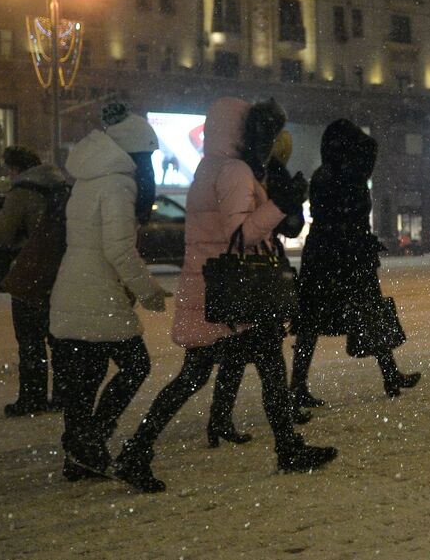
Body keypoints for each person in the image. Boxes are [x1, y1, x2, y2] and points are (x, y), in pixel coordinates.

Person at [114, 98, 335, 493]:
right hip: (233, 293)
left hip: (214, 288)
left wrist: (276, 202)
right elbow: (241, 235)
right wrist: (282, 204)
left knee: (201, 374)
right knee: (255, 368)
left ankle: (138, 449)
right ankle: (286, 449)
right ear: (240, 130)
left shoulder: (209, 167)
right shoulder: (233, 171)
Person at [50, 106, 168, 479]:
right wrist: (148, 292)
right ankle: (91, 441)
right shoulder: (118, 182)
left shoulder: (88, 178)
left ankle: (80, 452)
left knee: (84, 378)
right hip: (99, 293)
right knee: (136, 365)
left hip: (72, 289)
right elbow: (117, 249)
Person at [292, 119, 420, 407]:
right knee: (367, 312)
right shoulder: (347, 175)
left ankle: (298, 385)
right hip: (347, 254)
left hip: (325, 254)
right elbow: (367, 159)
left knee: (315, 320)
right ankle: (389, 375)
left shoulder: (325, 174)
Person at [202, 113, 310, 448]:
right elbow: (282, 226)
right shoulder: (263, 173)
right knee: (264, 349)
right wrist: (290, 203)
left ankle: (224, 419)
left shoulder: (230, 168)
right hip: (257, 267)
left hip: (244, 268)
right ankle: (284, 434)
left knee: (241, 350)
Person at [0, 146, 67, 416]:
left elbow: (1, 236)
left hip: (30, 272)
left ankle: (32, 399)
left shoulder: (22, 192)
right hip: (62, 271)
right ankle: (64, 396)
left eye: (9, 169)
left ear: (16, 169)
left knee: (30, 340)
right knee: (58, 338)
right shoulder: (62, 187)